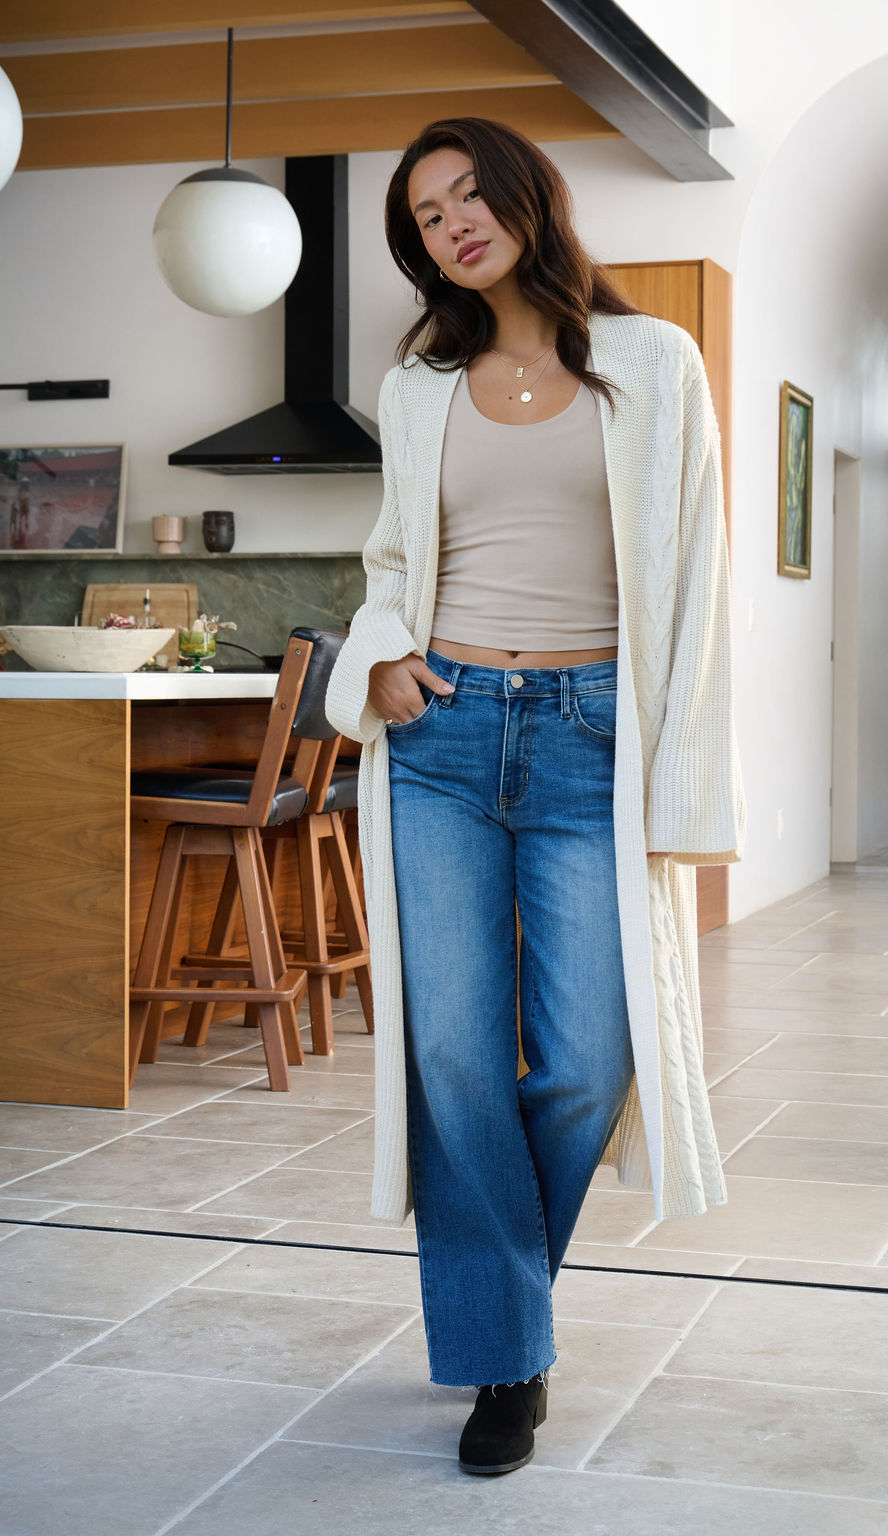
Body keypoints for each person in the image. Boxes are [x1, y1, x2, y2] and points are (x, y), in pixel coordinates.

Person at [324, 115, 746, 1477]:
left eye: (465, 193)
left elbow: (693, 592)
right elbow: (392, 559)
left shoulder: (650, 364)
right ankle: (509, 1358)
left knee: (583, 1063)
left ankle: (505, 1300)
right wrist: (382, 658)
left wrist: (685, 784)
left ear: (523, 196)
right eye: (424, 214)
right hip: (443, 736)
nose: (451, 222)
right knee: (452, 1060)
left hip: (588, 740)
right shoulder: (416, 387)